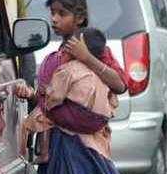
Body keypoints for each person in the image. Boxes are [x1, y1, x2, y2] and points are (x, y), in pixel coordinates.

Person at [15, 0, 133, 174]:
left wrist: (87, 57)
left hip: (85, 147)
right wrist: (30, 93)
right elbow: (48, 96)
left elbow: (120, 84)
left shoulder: (96, 50)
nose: (55, 19)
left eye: (62, 14)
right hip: (57, 143)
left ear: (79, 18)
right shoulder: (56, 55)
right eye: (52, 13)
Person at [22, 27, 119, 163]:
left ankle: (44, 153)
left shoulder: (68, 70)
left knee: (43, 113)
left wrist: (44, 94)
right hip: (97, 121)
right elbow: (113, 99)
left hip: (71, 124)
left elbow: (55, 97)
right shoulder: (100, 73)